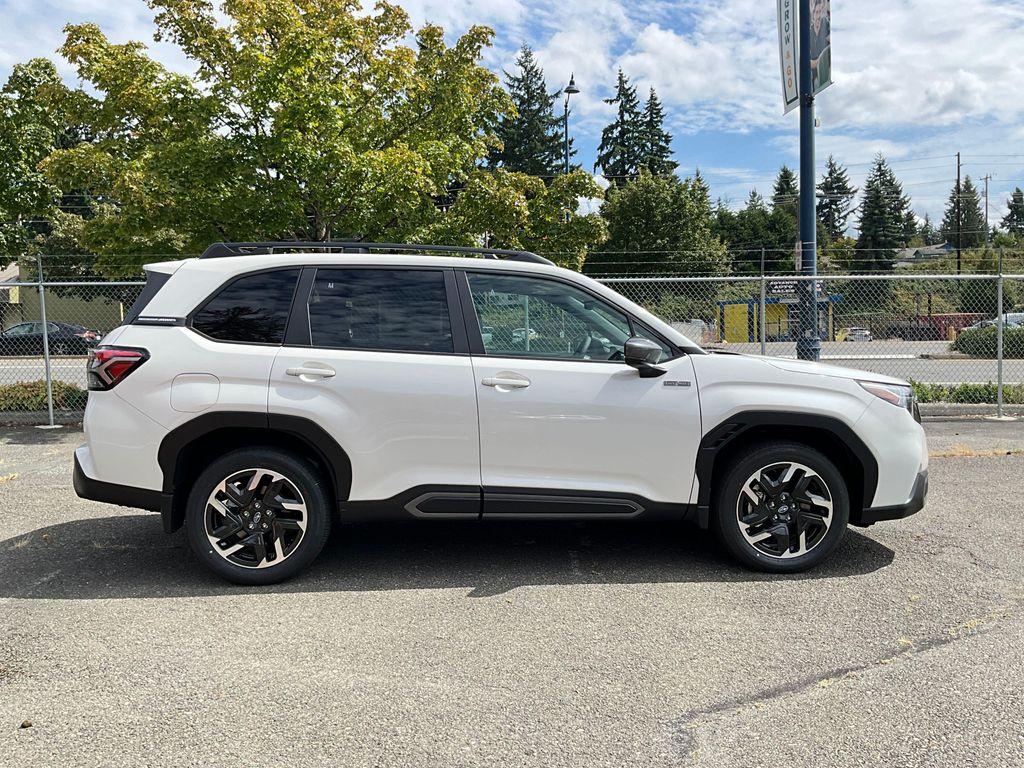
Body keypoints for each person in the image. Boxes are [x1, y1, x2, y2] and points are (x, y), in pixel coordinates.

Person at [809, 0, 831, 91]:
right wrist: (820, 60)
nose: (818, 16)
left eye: (821, 12)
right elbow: (807, 63)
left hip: (826, 75)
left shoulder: (825, 24)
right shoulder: (808, 33)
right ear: (813, 14)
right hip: (814, 80)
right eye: (817, 12)